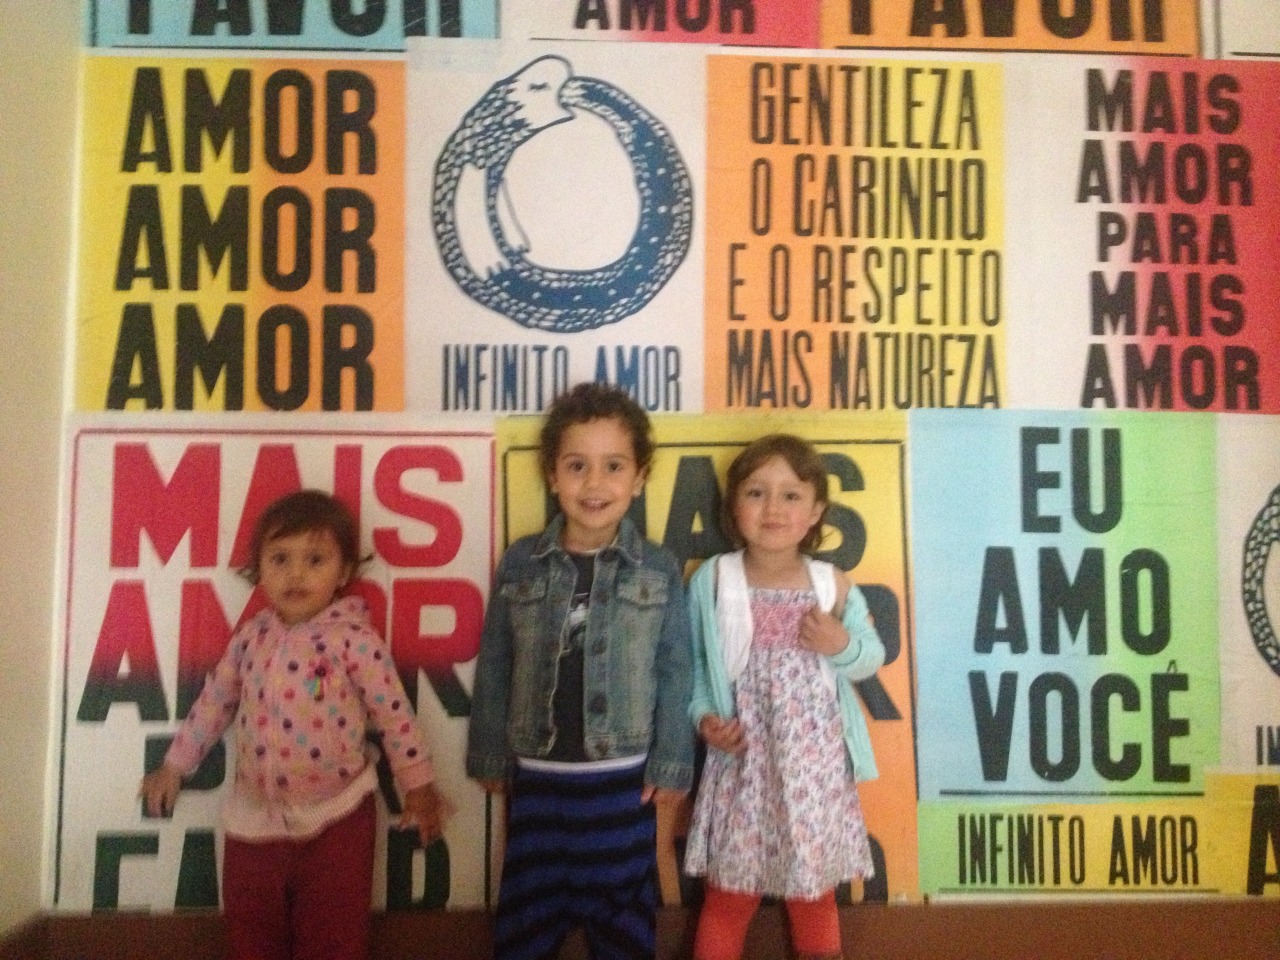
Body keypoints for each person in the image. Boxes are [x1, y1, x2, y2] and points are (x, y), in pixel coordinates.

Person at [139, 490, 447, 960]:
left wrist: (419, 786)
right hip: (254, 819)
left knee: (335, 937)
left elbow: (394, 715)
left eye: (315, 559)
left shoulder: (354, 640)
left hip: (338, 817)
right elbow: (214, 704)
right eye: (280, 559)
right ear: (259, 569)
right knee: (250, 932)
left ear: (343, 571)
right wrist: (174, 766)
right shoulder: (250, 638)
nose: (296, 573)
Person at [466, 382, 694, 960]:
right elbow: (497, 659)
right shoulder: (522, 562)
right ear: (552, 476)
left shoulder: (659, 568)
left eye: (613, 466)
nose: (595, 484)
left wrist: (672, 761)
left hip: (624, 782)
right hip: (538, 780)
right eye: (576, 466)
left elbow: (676, 670)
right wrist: (489, 748)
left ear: (639, 477)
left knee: (623, 926)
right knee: (525, 922)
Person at [684, 434, 886, 960]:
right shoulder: (715, 579)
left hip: (812, 774)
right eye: (756, 493)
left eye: (791, 495)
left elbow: (871, 655)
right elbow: (692, 667)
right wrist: (704, 717)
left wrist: (841, 645)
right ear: (734, 505)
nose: (773, 508)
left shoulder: (832, 584)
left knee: (814, 894)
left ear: (816, 510)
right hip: (743, 765)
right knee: (728, 895)